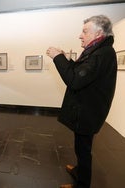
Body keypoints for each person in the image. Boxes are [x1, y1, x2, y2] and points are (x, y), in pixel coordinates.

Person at [46, 15, 117, 188]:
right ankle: (79, 171)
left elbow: (75, 80)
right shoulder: (98, 50)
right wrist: (66, 59)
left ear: (98, 32)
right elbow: (82, 73)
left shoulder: (101, 53)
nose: (80, 35)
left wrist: (57, 57)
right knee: (81, 146)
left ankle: (82, 184)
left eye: (85, 31)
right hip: (87, 110)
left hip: (88, 112)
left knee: (83, 150)